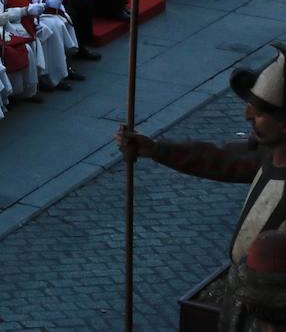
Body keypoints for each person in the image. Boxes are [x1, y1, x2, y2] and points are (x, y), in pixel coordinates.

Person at [117, 44, 286, 331]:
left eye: (258, 113)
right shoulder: (266, 159)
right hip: (242, 308)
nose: (247, 116)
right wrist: (157, 150)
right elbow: (220, 159)